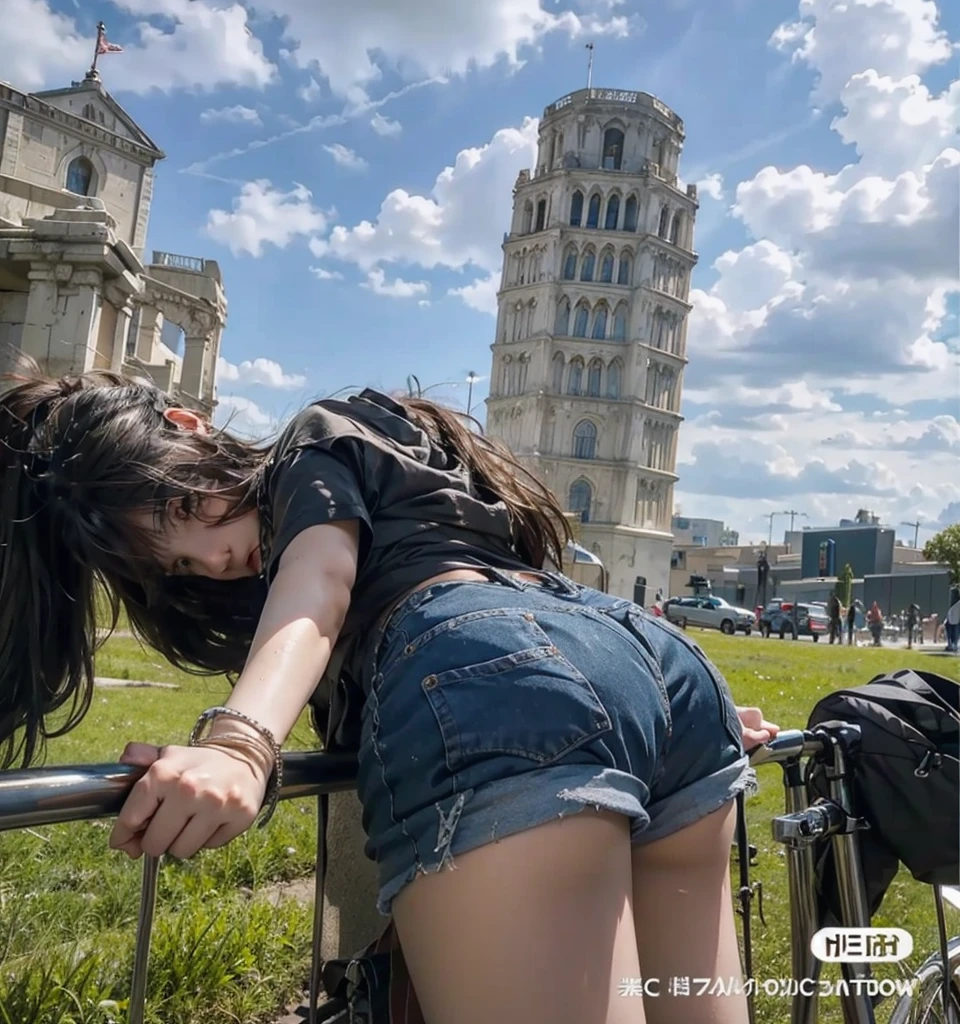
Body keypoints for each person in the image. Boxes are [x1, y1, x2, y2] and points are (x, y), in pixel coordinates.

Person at [0, 363, 779, 1024]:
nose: (210, 556)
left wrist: (239, 744)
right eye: (175, 566)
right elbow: (530, 618)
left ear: (188, 425)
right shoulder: (395, 449)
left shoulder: (313, 443)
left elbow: (320, 585)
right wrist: (631, 709)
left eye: (180, 508)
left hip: (503, 680)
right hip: (651, 672)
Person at [946, 586, 960, 654]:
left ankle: (953, 645)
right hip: (954, 620)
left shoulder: (956, 604)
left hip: (955, 620)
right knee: (954, 632)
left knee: (954, 632)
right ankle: (953, 645)